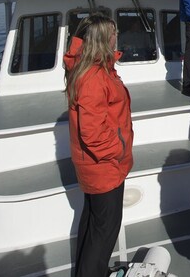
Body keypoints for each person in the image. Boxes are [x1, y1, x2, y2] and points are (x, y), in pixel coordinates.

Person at [64, 14, 134, 277]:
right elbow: (92, 133)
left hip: (97, 166)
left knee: (93, 223)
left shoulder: (90, 68)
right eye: (113, 32)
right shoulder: (93, 76)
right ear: (103, 39)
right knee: (105, 230)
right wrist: (118, 150)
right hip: (105, 166)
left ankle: (88, 271)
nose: (117, 35)